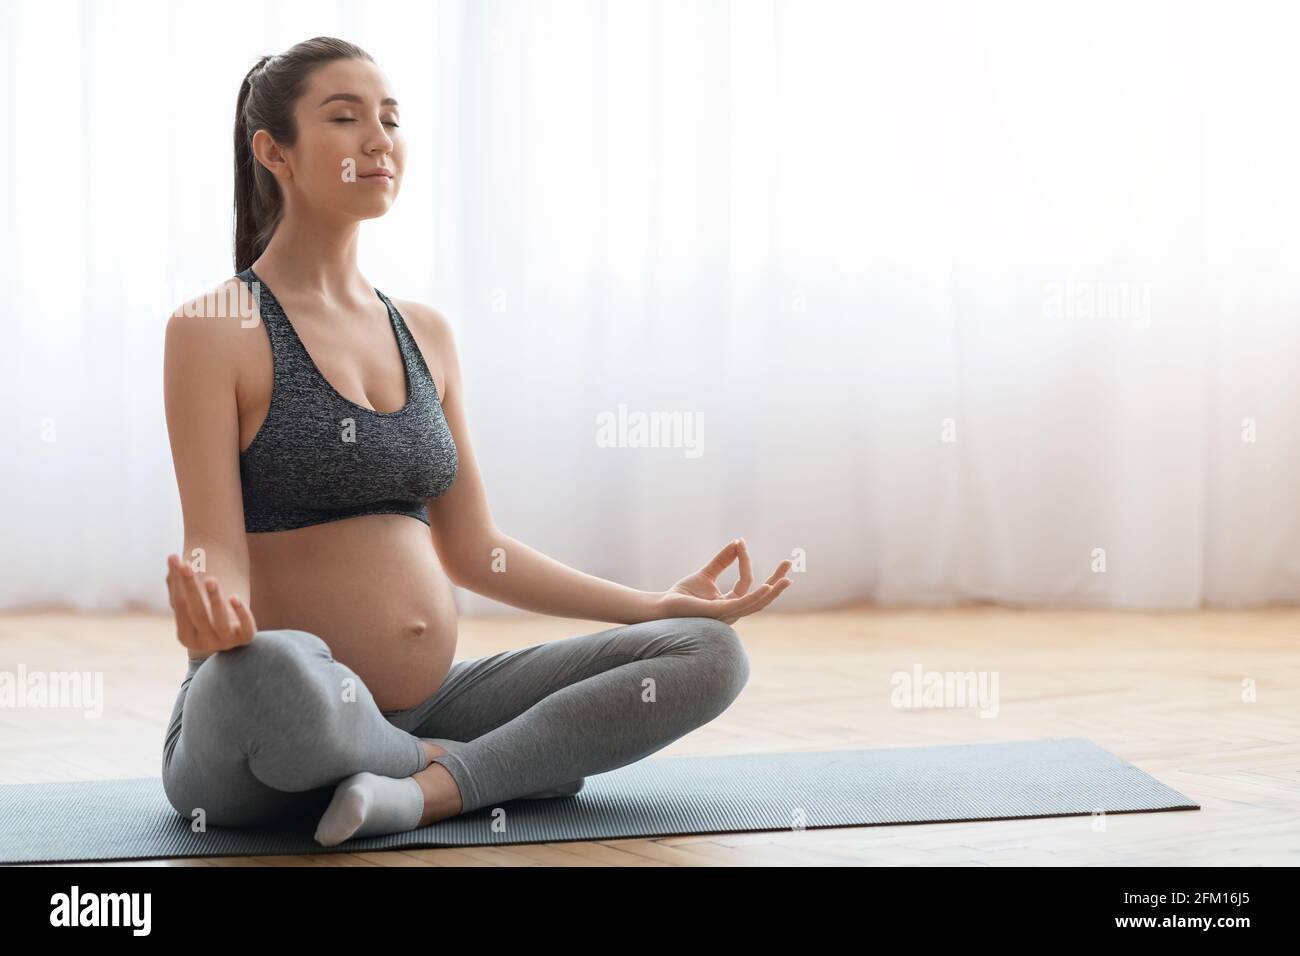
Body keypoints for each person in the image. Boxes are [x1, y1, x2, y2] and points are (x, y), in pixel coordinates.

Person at [160, 36, 791, 847]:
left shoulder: (424, 332)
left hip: (430, 696)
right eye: (345, 118)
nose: (378, 139)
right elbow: (213, 545)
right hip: (266, 722)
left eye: (390, 118)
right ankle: (477, 768)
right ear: (273, 150)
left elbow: (477, 550)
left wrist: (655, 606)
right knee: (272, 674)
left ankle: (420, 795)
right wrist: (215, 620)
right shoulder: (216, 329)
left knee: (707, 652)